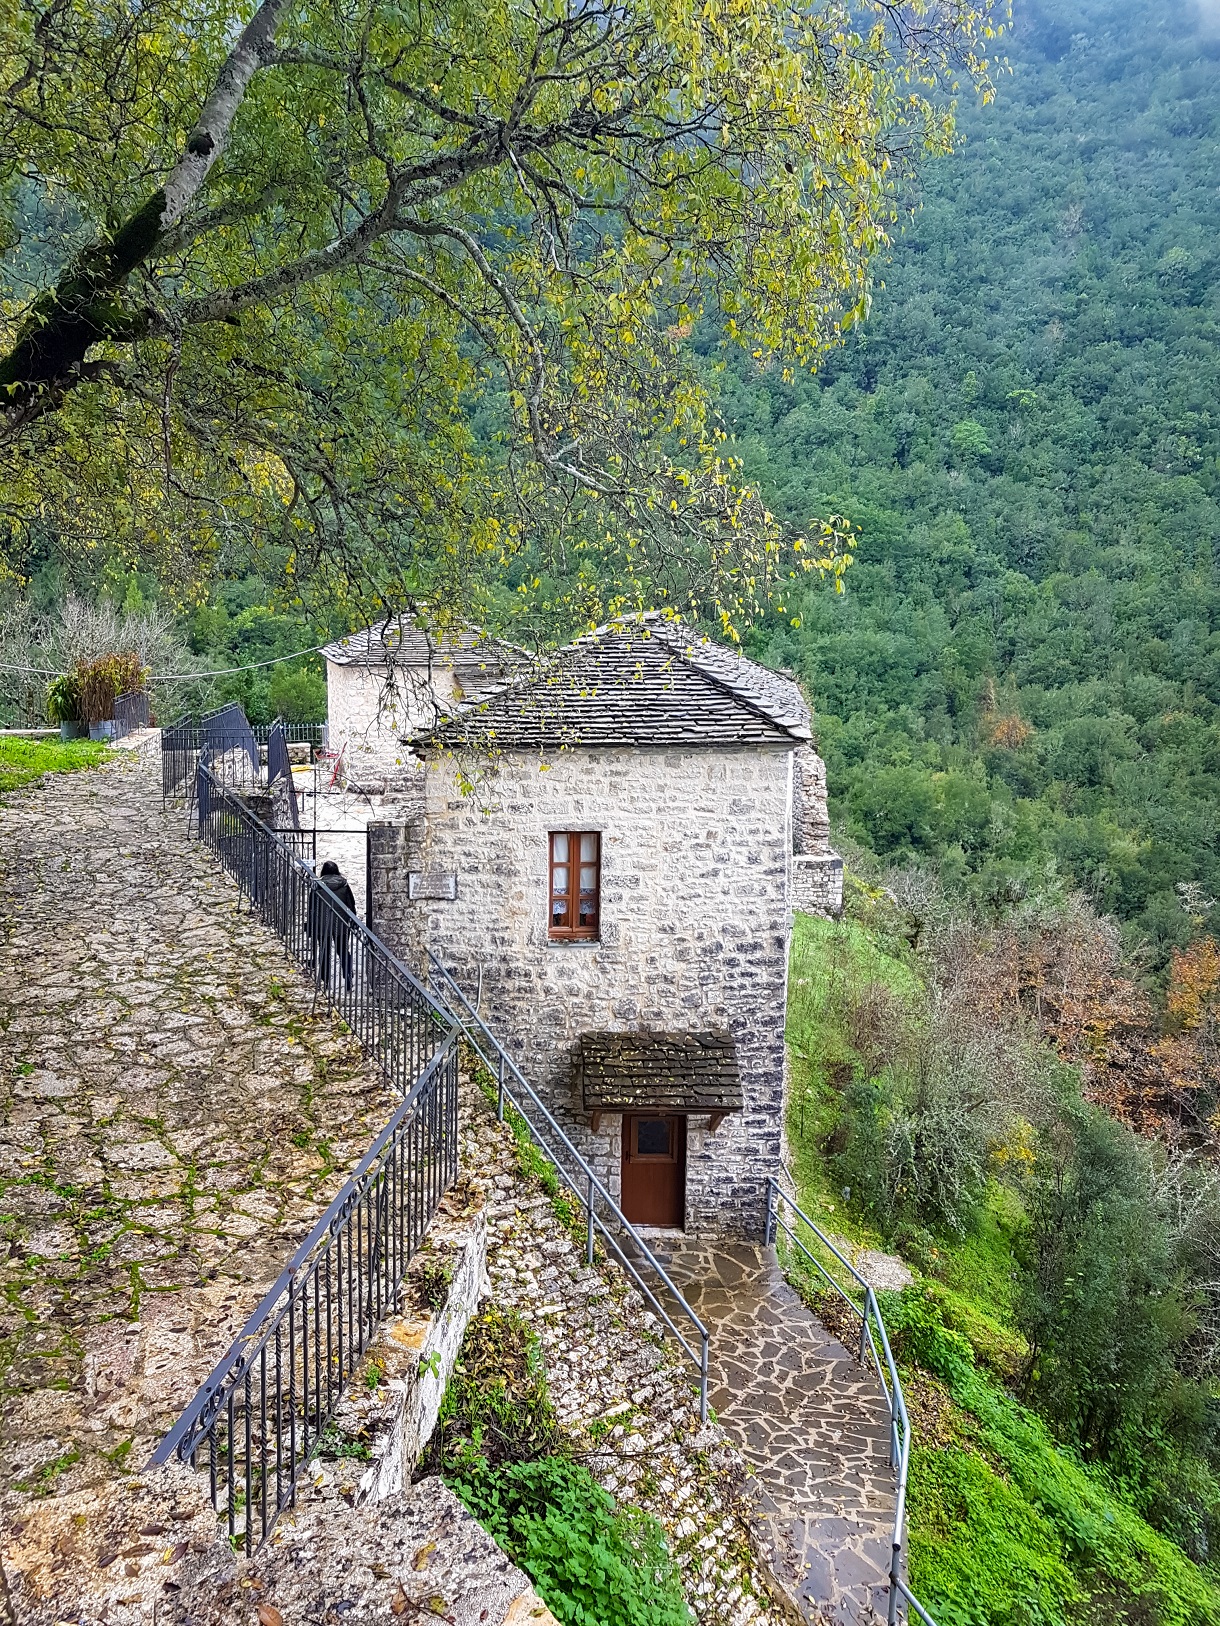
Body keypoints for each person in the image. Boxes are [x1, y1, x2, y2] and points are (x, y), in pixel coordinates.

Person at [307, 860, 357, 990]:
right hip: (341, 925)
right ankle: (348, 977)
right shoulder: (344, 885)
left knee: (324, 952)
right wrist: (353, 921)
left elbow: (312, 907)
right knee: (344, 951)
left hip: (322, 926)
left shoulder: (317, 886)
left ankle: (325, 981)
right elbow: (351, 905)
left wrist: (311, 925)